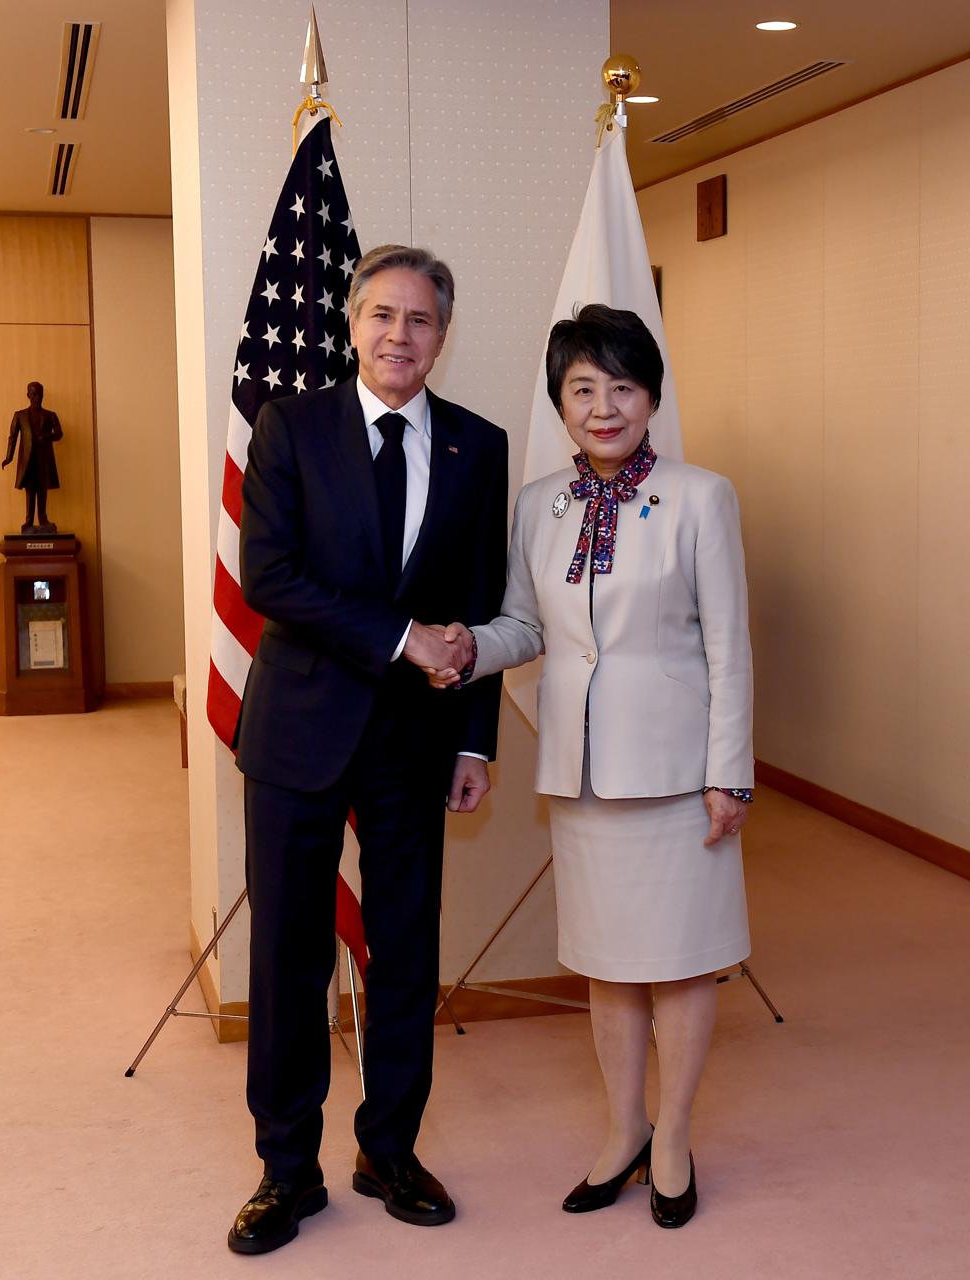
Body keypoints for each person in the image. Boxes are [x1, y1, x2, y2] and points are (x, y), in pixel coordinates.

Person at [428, 303, 754, 1229]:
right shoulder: (540, 505)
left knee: (683, 965)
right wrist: (462, 646)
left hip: (681, 776)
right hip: (580, 775)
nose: (602, 407)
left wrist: (730, 772)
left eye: (621, 386)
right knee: (610, 966)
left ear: (650, 396)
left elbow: (731, 647)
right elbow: (526, 629)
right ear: (559, 402)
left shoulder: (703, 498)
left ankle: (676, 1138)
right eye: (582, 389)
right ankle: (622, 1132)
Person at [227, 245, 505, 1255]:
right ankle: (284, 1168)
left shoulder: (480, 445)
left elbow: (479, 606)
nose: (400, 334)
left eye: (421, 319)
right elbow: (270, 577)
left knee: (404, 957)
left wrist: (476, 739)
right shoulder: (289, 428)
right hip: (299, 730)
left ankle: (389, 1147)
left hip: (415, 743)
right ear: (352, 323)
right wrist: (399, 638)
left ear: (443, 332)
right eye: (383, 314)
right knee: (289, 955)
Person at [0, 381, 63, 533]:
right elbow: (12, 437)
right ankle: (28, 521)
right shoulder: (20, 416)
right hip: (27, 461)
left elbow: (59, 433)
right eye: (33, 394)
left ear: (43, 395)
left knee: (42, 489)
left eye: (39, 394)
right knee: (30, 489)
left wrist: (47, 437)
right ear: (28, 395)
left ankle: (42, 519)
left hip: (44, 460)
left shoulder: (50, 415)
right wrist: (9, 457)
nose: (36, 397)